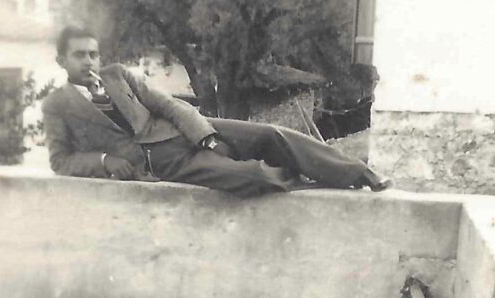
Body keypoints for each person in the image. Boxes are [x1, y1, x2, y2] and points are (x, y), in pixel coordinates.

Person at [42, 26, 392, 197]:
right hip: (164, 165)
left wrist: (206, 137)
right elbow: (60, 161)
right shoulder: (57, 105)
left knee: (271, 135)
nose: (89, 61)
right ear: (61, 61)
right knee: (255, 177)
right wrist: (104, 161)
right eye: (79, 55)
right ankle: (311, 181)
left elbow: (169, 105)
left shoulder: (118, 75)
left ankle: (358, 173)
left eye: (93, 54)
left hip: (186, 131)